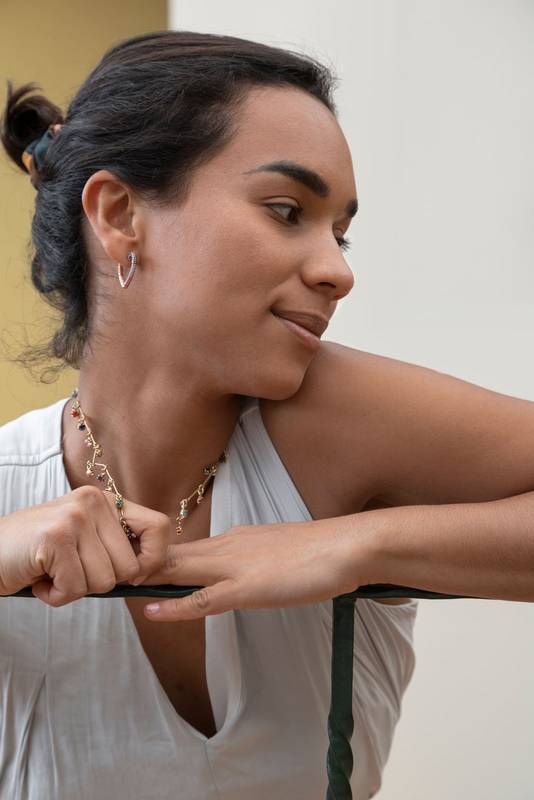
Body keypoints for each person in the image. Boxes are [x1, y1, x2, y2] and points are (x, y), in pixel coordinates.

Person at [1, 29, 534, 800]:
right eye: (287, 211)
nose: (338, 271)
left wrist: (357, 546)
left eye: (341, 232)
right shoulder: (14, 490)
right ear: (119, 214)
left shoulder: (330, 423)